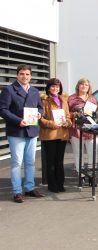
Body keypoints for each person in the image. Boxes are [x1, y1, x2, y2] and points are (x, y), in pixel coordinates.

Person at [0, 64, 45, 203]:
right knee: (16, 162)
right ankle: (17, 191)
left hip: (31, 130)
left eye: (27, 74)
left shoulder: (34, 91)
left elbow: (40, 107)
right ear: (17, 75)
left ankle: (30, 188)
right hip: (17, 131)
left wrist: (39, 114)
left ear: (30, 76)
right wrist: (18, 121)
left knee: (30, 162)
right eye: (22, 74)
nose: (24, 76)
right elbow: (3, 110)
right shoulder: (9, 90)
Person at [39, 78, 72, 193]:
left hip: (62, 134)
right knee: (51, 161)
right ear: (48, 88)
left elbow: (68, 116)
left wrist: (67, 122)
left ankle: (60, 183)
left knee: (59, 161)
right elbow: (40, 119)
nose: (55, 89)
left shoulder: (63, 100)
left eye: (57, 87)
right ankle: (52, 185)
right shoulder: (44, 101)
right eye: (53, 86)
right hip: (50, 135)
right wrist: (52, 124)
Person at [68, 78, 98, 186]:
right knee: (78, 154)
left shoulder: (92, 99)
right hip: (77, 130)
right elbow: (67, 114)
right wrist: (76, 114)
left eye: (86, 84)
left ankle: (91, 176)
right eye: (82, 84)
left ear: (89, 87)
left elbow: (96, 114)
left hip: (91, 130)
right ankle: (81, 176)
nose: (84, 86)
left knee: (92, 154)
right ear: (78, 86)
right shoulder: (71, 98)